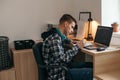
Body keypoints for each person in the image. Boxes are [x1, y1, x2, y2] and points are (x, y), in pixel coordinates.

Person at [41, 14, 93, 80]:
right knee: (92, 72)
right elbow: (63, 59)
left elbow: (63, 38)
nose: (72, 31)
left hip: (63, 68)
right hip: (59, 74)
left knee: (90, 65)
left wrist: (68, 41)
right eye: (72, 27)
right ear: (66, 24)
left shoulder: (56, 35)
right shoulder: (54, 39)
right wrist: (77, 46)